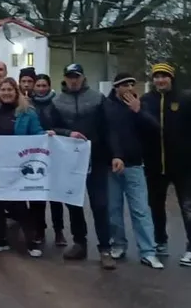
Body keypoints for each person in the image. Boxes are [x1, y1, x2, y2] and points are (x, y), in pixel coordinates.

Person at [140, 62, 191, 267]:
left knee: (188, 207)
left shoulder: (187, 100)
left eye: (164, 76)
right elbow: (142, 130)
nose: (160, 80)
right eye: (156, 77)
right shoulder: (146, 101)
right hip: (155, 165)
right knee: (156, 206)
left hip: (183, 165)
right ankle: (161, 241)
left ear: (172, 78)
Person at [51, 63, 116, 269]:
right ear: (65, 78)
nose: (73, 80)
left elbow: (110, 129)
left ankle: (105, 248)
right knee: (74, 203)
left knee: (100, 205)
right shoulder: (57, 102)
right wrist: (67, 133)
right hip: (70, 161)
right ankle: (80, 243)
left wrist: (116, 155)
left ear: (83, 77)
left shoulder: (98, 98)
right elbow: (50, 128)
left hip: (96, 159)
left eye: (76, 76)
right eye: (70, 76)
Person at [0, 78, 45, 256]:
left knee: (18, 204)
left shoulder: (28, 112)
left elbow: (37, 132)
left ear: (16, 91)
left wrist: (45, 135)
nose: (6, 93)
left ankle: (31, 242)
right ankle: (1, 239)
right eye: (3, 90)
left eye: (10, 90)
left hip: (17, 166)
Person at [105, 73, 165, 269]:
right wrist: (116, 155)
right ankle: (118, 244)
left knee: (141, 210)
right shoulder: (107, 107)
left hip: (135, 165)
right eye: (125, 85)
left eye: (132, 83)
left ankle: (148, 251)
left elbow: (156, 129)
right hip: (112, 165)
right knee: (113, 210)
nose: (130, 88)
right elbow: (109, 133)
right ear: (116, 88)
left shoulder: (140, 105)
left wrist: (138, 112)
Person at [30, 74, 66, 247]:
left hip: (54, 152)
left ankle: (59, 231)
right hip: (35, 153)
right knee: (36, 193)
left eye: (44, 85)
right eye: (38, 85)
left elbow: (63, 125)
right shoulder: (28, 104)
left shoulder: (57, 103)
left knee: (55, 194)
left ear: (49, 86)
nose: (41, 88)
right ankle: (39, 229)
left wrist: (54, 132)